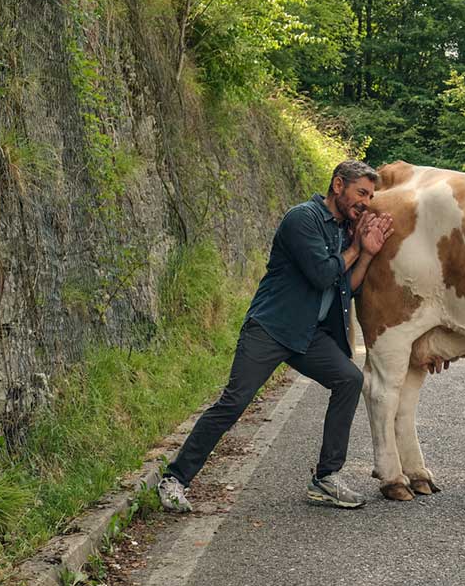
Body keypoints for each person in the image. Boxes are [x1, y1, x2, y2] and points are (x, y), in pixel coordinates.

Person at [158, 160, 394, 511]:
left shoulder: (342, 231)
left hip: (308, 334)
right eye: (361, 193)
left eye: (370, 196)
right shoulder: (302, 219)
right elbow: (321, 274)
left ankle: (326, 478)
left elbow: (345, 286)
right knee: (233, 403)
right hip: (271, 328)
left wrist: (367, 253)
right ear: (337, 185)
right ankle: (174, 479)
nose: (366, 202)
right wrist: (357, 248)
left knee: (349, 379)